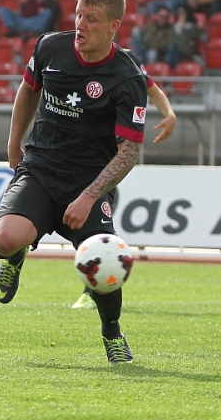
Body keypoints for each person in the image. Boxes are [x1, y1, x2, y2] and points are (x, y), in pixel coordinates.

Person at [0, 0, 147, 363]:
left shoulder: (127, 78)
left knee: (104, 260)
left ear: (113, 26)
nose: (80, 25)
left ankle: (112, 334)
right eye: (78, 15)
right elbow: (28, 90)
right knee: (5, 240)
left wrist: (90, 196)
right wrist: (14, 142)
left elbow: (129, 152)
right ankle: (16, 257)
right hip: (41, 167)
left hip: (88, 180)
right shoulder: (50, 47)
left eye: (91, 19)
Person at [71, 47, 177, 309]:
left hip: (103, 162)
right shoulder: (70, 56)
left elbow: (152, 88)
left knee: (98, 227)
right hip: (67, 155)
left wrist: (169, 113)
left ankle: (91, 291)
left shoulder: (127, 60)